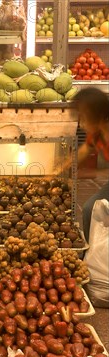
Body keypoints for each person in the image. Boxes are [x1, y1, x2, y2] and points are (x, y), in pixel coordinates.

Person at [57, 87, 109, 241]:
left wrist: (96, 174)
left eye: (84, 117)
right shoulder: (97, 133)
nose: (81, 124)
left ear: (97, 114)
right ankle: (89, 252)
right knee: (88, 209)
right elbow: (82, 153)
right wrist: (56, 171)